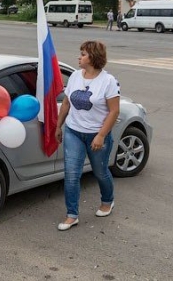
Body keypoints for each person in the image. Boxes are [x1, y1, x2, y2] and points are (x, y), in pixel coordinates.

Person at [55, 40, 120, 231]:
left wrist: (101, 136)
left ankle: (107, 201)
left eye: (83, 54)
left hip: (96, 135)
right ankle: (72, 215)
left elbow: (114, 111)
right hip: (73, 132)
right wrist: (59, 126)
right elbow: (66, 103)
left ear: (93, 57)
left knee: (100, 172)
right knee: (71, 174)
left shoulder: (108, 81)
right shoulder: (75, 76)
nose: (79, 57)